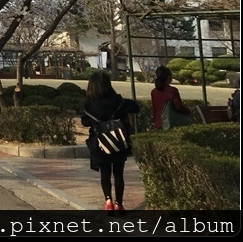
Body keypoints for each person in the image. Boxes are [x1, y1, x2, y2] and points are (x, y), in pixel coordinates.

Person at [81, 71, 139, 213]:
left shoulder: (88, 103)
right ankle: (119, 204)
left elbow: (85, 121)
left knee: (105, 173)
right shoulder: (117, 100)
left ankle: (108, 201)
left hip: (99, 142)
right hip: (118, 141)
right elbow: (135, 107)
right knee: (118, 173)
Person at [150, 65, 192, 130]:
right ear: (169, 77)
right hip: (170, 123)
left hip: (158, 123)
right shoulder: (173, 90)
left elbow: (154, 109)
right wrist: (188, 111)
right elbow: (179, 107)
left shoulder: (154, 92)